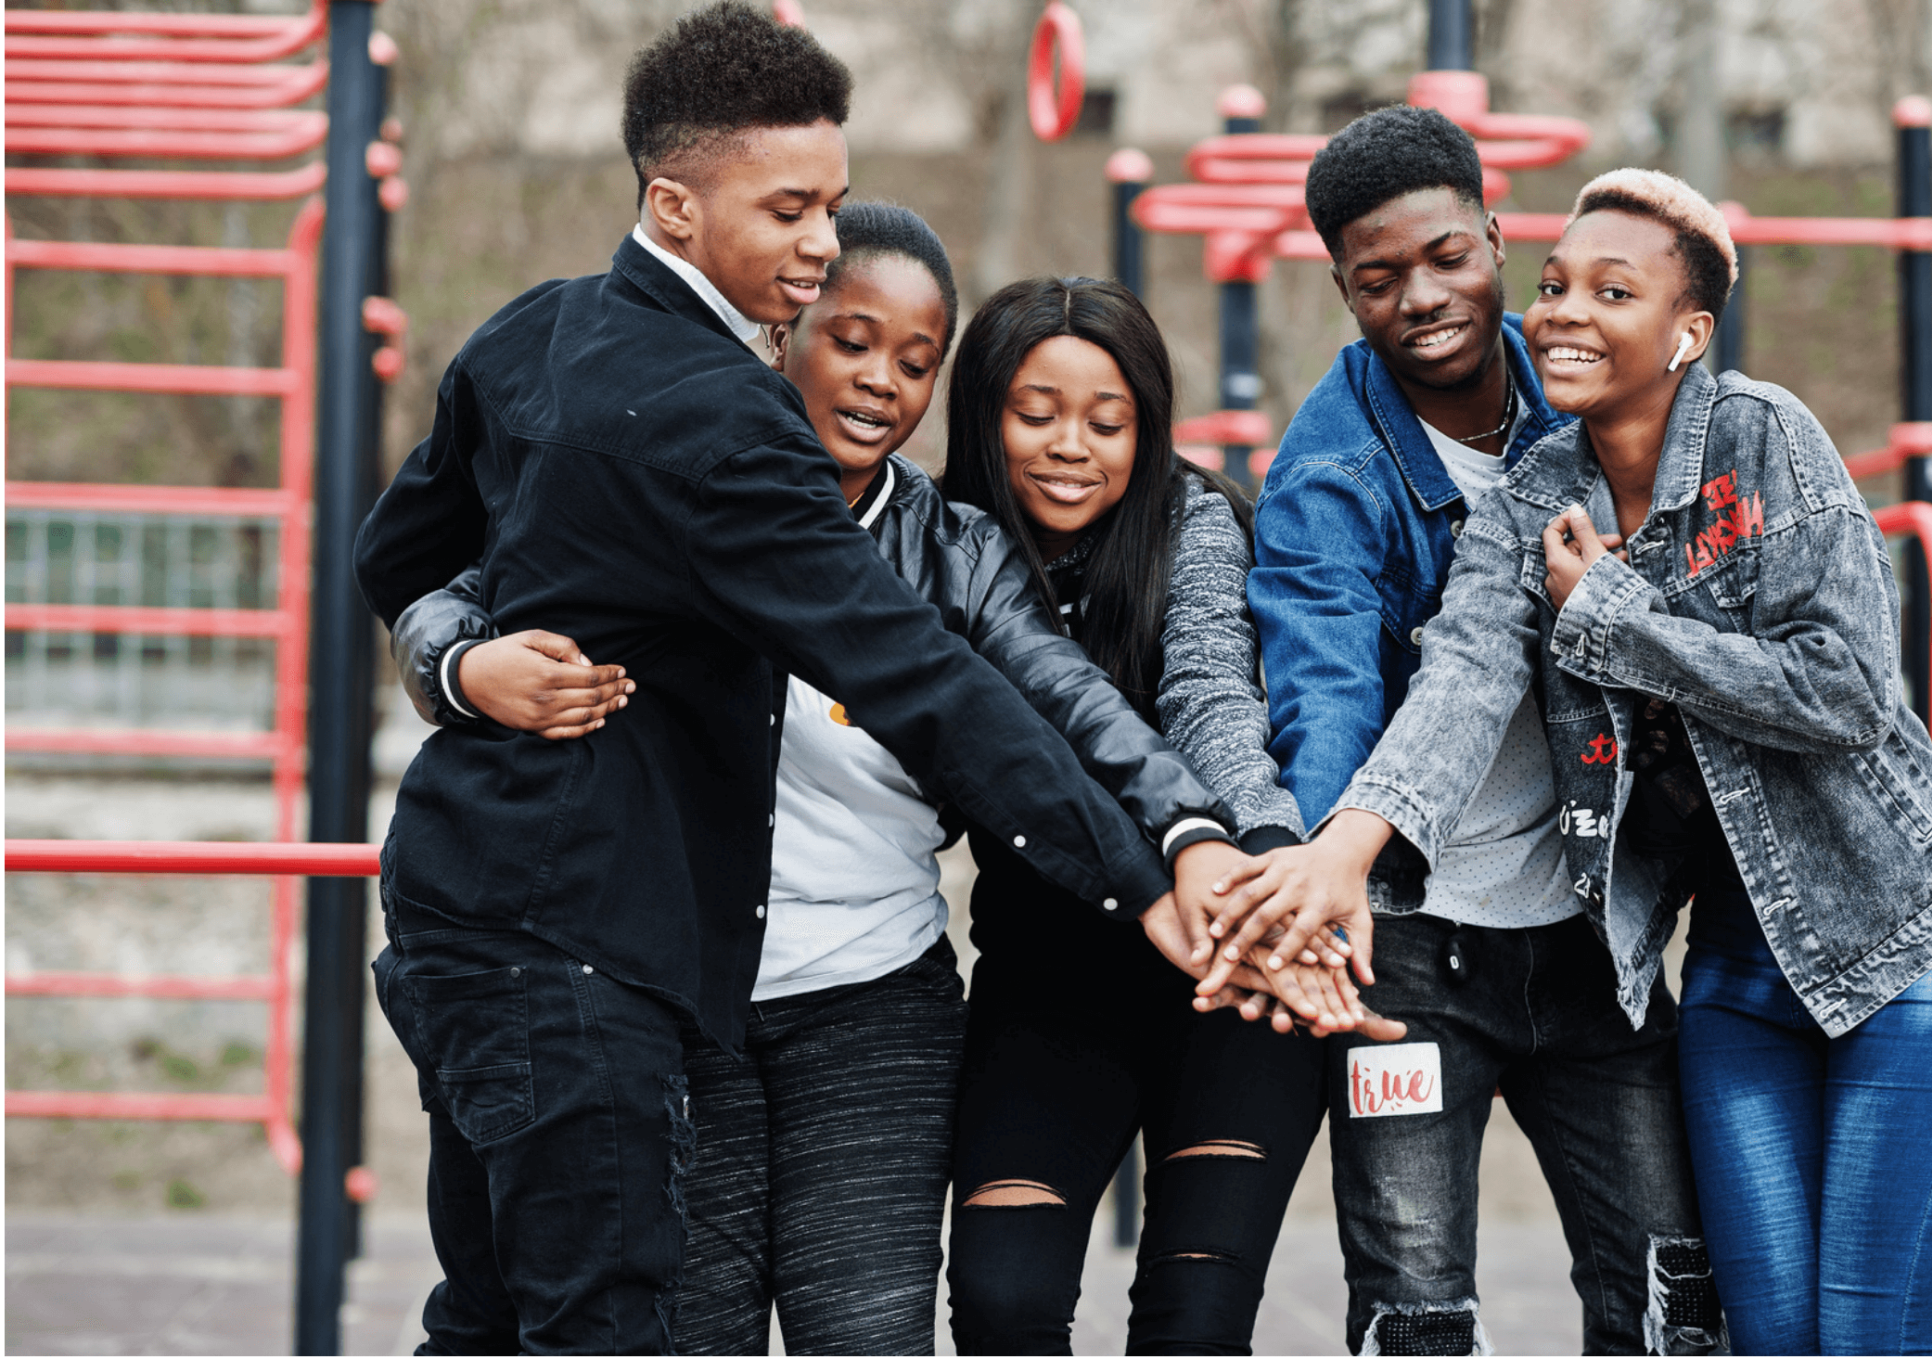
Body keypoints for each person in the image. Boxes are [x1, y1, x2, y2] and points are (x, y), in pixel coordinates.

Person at [352, 10, 1295, 1352]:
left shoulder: (533, 332)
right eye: (788, 209)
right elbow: (921, 677)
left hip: (460, 913)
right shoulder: (731, 428)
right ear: (672, 203)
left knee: (491, 1307)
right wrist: (1146, 880)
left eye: (831, 205)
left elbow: (398, 549)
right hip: (575, 952)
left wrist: (453, 655)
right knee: (596, 1319)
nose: (816, 241)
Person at [1224, 167, 1932, 1357]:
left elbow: (1845, 691)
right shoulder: (1536, 492)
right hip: (1732, 971)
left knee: (1860, 1334)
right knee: (1755, 1330)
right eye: (1552, 287)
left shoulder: (1763, 439)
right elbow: (1465, 670)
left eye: (1611, 290)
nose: (1559, 314)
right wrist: (1344, 846)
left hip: (1900, 936)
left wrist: (1612, 614)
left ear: (1685, 331)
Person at [1215, 108, 1723, 1356]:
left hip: (1587, 933)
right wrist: (1333, 860)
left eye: (1446, 256)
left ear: (1496, 236)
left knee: (1674, 1296)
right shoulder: (1327, 481)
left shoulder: (1588, 388)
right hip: (1411, 953)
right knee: (1414, 1314)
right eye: (1378, 280)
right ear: (1341, 287)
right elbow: (1324, 686)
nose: (1422, 297)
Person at [938, 276, 1392, 1359]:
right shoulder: (938, 547)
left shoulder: (1194, 522)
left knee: (1193, 1326)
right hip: (1047, 980)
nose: (1070, 447)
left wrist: (1273, 861)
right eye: (1034, 412)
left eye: (1108, 421)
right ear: (981, 413)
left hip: (1232, 974)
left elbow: (1209, 702)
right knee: (1001, 1309)